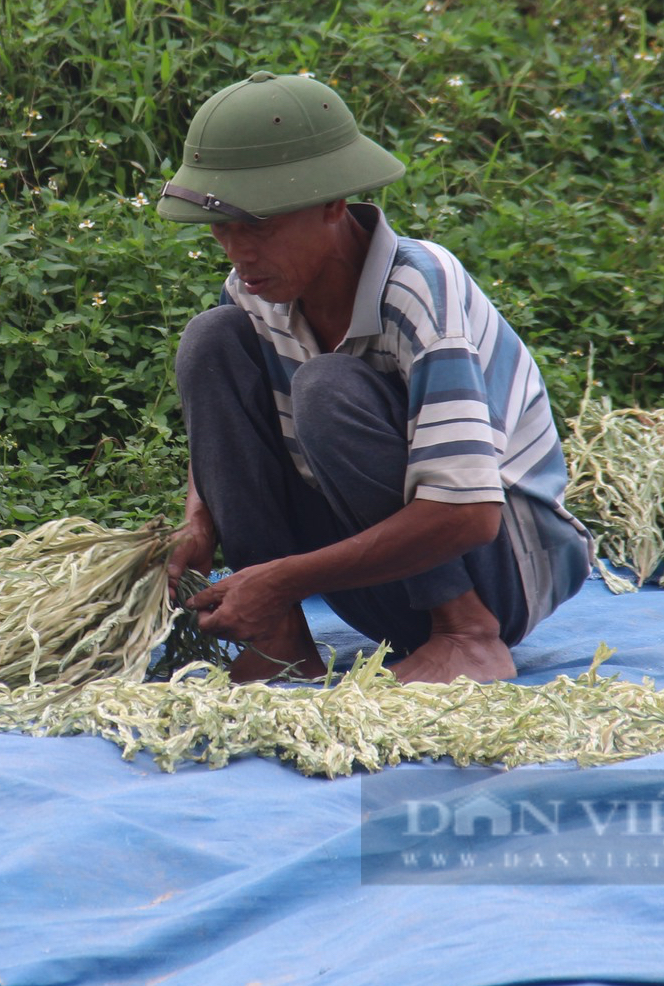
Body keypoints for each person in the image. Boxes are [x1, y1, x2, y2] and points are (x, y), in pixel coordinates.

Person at [157, 71, 591, 684]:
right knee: (210, 339)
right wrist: (199, 524)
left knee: (325, 388)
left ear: (334, 204)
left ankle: (465, 634)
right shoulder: (256, 292)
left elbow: (471, 516)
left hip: (498, 568)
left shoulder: (419, 289)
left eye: (258, 228)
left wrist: (284, 577)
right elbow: (228, 423)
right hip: (377, 570)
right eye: (222, 230)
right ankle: (279, 637)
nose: (238, 253)